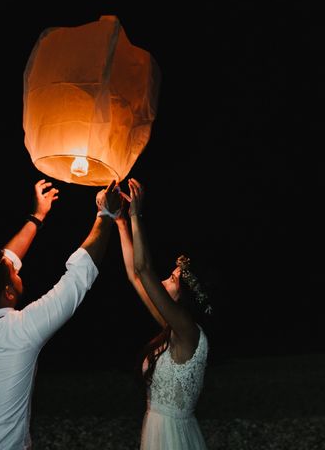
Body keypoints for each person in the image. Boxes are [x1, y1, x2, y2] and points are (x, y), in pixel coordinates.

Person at [0, 178, 122, 450]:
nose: (16, 266)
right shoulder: (20, 331)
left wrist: (37, 216)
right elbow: (78, 277)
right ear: (8, 293)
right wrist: (106, 214)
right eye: (13, 271)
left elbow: (6, 259)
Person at [115, 178, 213, 450]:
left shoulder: (188, 332)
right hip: (157, 427)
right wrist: (120, 222)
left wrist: (136, 213)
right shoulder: (173, 328)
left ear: (185, 298)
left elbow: (144, 269)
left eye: (172, 278)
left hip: (172, 437)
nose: (165, 280)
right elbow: (136, 277)